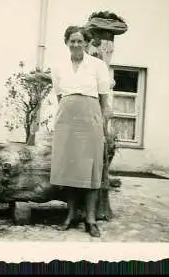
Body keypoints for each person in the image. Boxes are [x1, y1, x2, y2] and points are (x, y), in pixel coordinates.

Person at [50, 25, 112, 237]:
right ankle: (70, 215)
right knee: (69, 167)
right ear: (66, 43)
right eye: (72, 41)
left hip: (90, 117)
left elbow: (104, 97)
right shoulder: (58, 66)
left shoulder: (97, 65)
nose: (76, 44)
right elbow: (60, 96)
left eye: (79, 41)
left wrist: (103, 120)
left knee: (91, 167)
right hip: (67, 118)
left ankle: (91, 219)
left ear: (86, 43)